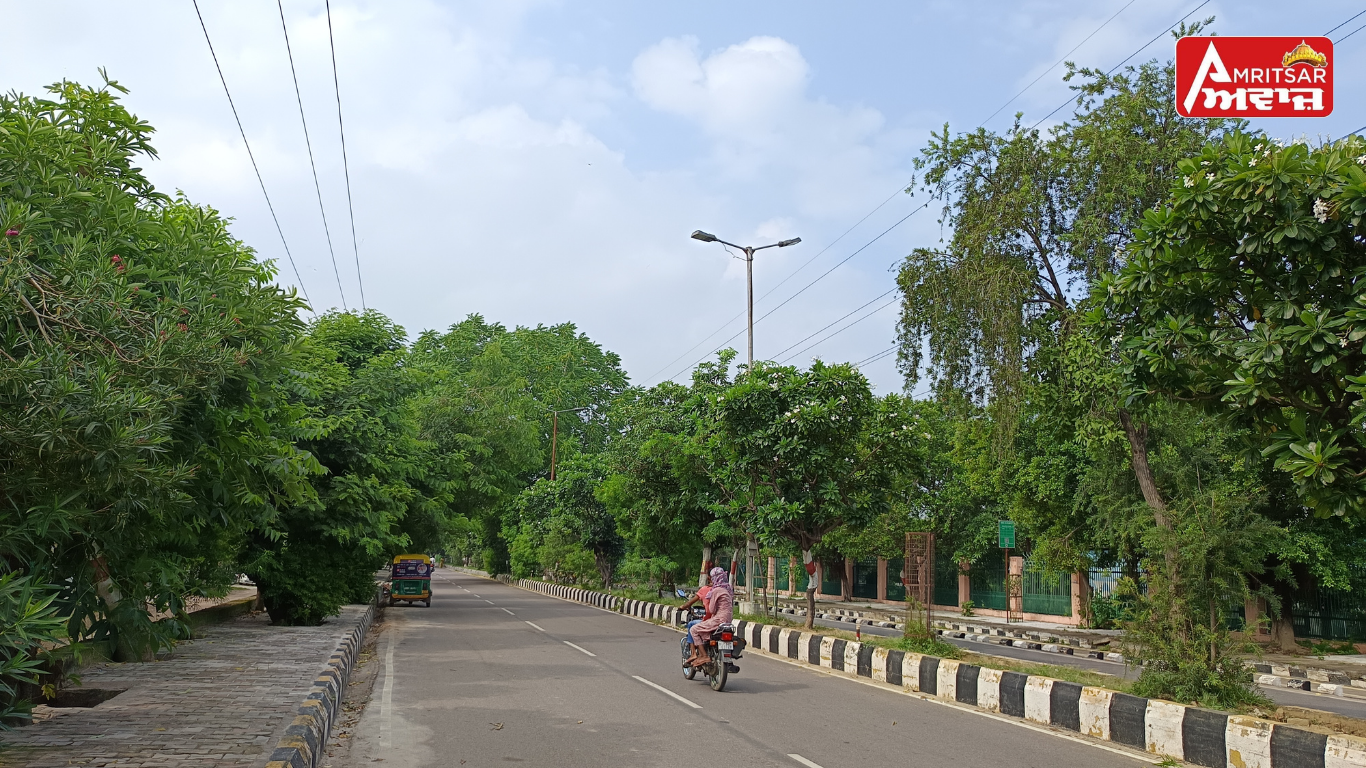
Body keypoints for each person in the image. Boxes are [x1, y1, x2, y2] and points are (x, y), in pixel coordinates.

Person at [685, 567, 734, 668]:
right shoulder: (728, 589)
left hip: (719, 619)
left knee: (694, 629)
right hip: (728, 620)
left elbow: (711, 610)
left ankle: (704, 656)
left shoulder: (716, 590)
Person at [680, 573, 712, 658]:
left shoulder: (706, 589)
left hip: (712, 621)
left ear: (709, 578)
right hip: (725, 621)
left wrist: (682, 607)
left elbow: (690, 603)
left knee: (691, 625)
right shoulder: (725, 589)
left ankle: (694, 653)